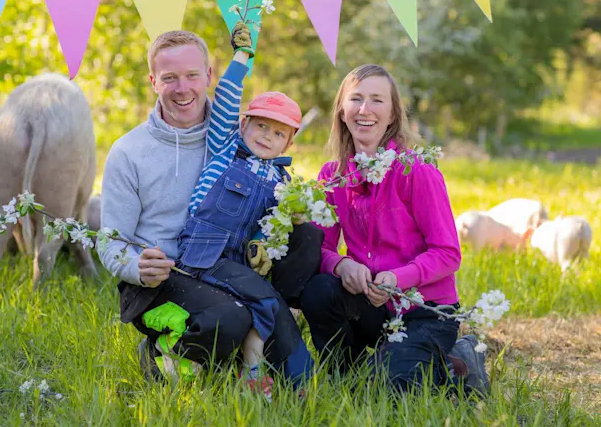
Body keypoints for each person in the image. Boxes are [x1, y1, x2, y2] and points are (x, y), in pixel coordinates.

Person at [99, 26, 321, 391]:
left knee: (306, 234)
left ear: (208, 76)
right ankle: (163, 353)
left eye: (191, 75)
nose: (182, 88)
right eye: (169, 78)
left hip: (227, 263)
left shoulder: (241, 140)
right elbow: (110, 241)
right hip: (162, 276)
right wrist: (137, 267)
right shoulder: (129, 152)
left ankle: (283, 363)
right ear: (153, 82)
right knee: (230, 318)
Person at [299, 64, 489, 395]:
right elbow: (322, 248)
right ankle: (348, 375)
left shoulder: (416, 170)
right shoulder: (333, 176)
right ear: (342, 111)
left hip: (424, 312)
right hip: (370, 307)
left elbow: (448, 253)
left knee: (394, 392)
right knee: (320, 291)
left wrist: (398, 278)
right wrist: (341, 265)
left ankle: (456, 363)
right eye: (355, 99)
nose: (364, 109)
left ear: (392, 115)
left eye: (377, 100)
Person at [174, 21, 317, 401]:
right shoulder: (225, 147)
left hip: (236, 263)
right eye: (261, 126)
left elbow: (272, 229)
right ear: (244, 124)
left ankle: (251, 375)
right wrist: (241, 56)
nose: (267, 136)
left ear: (289, 142)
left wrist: (267, 238)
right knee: (268, 301)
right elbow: (224, 99)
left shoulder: (283, 181)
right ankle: (297, 382)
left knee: (260, 304)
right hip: (203, 253)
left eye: (278, 133)